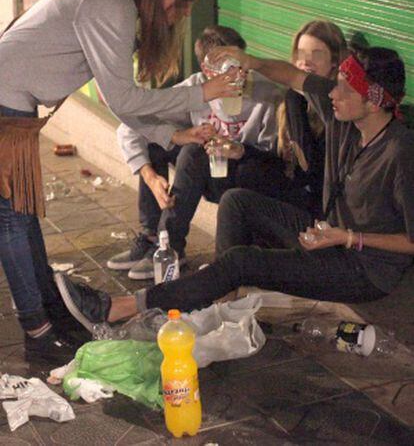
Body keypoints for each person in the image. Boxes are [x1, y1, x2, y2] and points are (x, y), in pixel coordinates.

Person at [55, 45, 414, 327]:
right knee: (237, 201)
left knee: (243, 261)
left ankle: (124, 307)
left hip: (362, 269)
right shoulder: (345, 118)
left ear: (373, 100)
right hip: (328, 237)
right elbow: (290, 75)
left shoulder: (400, 152)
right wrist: (251, 60)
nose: (333, 92)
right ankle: (221, 301)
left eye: (344, 87)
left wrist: (348, 238)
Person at [0, 0, 239, 365]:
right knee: (12, 221)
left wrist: (171, 133)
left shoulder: (112, 2)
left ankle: (51, 313)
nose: (182, 15)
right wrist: (201, 92)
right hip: (5, 102)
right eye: (183, 3)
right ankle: (38, 330)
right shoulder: (111, 5)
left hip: (12, 103)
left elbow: (120, 104)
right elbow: (125, 98)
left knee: (20, 215)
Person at [107, 25, 282, 279]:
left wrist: (240, 150)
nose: (237, 75)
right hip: (208, 174)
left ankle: (170, 247)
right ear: (206, 70)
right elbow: (130, 125)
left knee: (192, 152)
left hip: (248, 178)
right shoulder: (195, 89)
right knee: (161, 144)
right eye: (226, 68)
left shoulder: (268, 94)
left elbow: (275, 164)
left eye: (241, 65)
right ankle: (156, 239)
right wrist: (151, 178)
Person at [249, 20, 347, 217]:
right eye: (301, 54)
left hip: (321, 209)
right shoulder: (294, 100)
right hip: (298, 193)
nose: (306, 61)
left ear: (335, 63)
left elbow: (309, 170)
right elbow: (284, 163)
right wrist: (240, 151)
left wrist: (296, 97)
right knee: (244, 174)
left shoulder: (336, 108)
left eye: (316, 55)